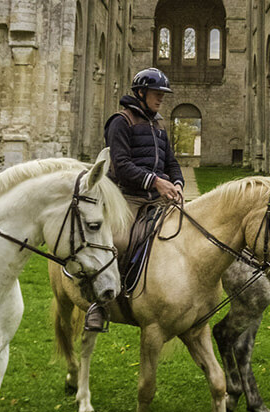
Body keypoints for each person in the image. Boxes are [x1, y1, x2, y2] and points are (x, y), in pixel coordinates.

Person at [83, 67, 185, 332]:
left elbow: (171, 162)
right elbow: (123, 164)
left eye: (163, 93)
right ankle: (99, 304)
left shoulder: (159, 124)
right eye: (156, 93)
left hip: (158, 198)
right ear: (140, 93)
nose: (161, 98)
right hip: (128, 197)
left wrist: (176, 182)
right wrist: (155, 181)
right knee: (118, 242)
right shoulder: (121, 121)